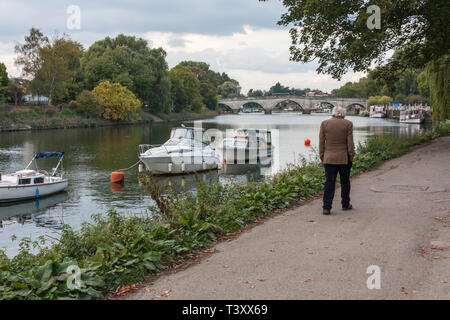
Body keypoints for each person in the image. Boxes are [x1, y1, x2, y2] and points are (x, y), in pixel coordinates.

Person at [319, 106, 355, 215]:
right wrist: (351, 155)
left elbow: (321, 142)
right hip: (344, 158)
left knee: (329, 182)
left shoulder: (324, 123)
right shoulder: (348, 124)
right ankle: (345, 204)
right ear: (343, 114)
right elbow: (350, 143)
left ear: (333, 113)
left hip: (329, 158)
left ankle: (327, 207)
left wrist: (322, 155)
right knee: (345, 182)